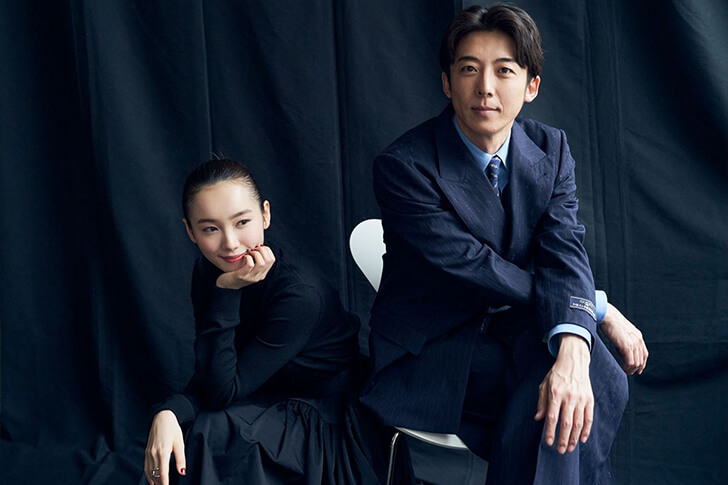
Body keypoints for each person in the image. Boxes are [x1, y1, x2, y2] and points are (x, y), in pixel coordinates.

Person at [360, 5, 648, 484]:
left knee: (587, 370)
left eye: (504, 70)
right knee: (569, 384)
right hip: (435, 346)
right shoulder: (405, 166)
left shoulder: (550, 149)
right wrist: (593, 309)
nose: (485, 88)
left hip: (514, 328)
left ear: (531, 85)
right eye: (469, 69)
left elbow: (564, 249)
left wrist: (573, 344)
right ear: (447, 82)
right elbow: (477, 267)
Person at [142, 159, 387, 485]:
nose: (230, 243)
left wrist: (227, 293)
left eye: (242, 222)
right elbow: (214, 375)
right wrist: (169, 412)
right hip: (260, 395)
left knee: (212, 432)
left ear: (265, 215)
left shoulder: (299, 295)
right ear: (190, 231)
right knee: (189, 431)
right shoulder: (209, 272)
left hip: (327, 421)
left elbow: (220, 392)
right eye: (210, 229)